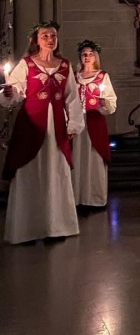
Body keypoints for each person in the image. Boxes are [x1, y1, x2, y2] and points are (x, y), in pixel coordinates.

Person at [1, 22, 85, 244]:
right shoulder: (26, 64)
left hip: (56, 127)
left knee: (56, 172)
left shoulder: (65, 66)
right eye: (45, 36)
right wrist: (9, 92)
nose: (50, 39)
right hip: (31, 126)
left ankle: (56, 227)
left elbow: (72, 97)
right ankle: (27, 230)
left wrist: (74, 124)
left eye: (53, 35)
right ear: (36, 41)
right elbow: (16, 91)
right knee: (30, 172)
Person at [72, 40, 117, 209]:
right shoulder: (74, 77)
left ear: (95, 56)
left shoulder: (102, 76)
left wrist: (104, 103)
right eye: (84, 54)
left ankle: (95, 198)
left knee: (95, 159)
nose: (87, 57)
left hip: (95, 121)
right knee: (77, 158)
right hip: (78, 122)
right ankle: (78, 197)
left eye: (90, 54)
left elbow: (111, 101)